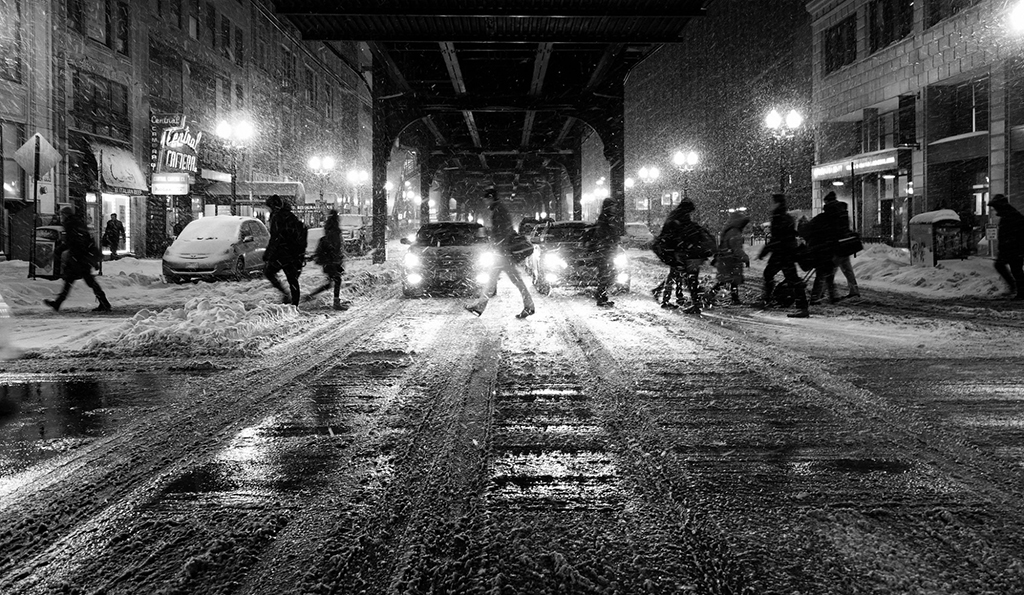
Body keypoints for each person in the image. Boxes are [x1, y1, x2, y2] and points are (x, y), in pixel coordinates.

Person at [465, 188, 535, 318]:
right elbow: (504, 230)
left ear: (491, 198)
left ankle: (481, 306)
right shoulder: (499, 210)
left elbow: (502, 232)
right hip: (503, 251)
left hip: (503, 252)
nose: (485, 202)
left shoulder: (498, 211)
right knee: (508, 280)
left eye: (486, 199)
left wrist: (498, 246)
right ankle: (528, 305)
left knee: (498, 279)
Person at [44, 206, 111, 313]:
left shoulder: (71, 225)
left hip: (79, 259)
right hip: (80, 258)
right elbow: (80, 241)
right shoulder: (76, 223)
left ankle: (105, 303)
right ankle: (58, 303)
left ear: (65, 215)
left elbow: (72, 242)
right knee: (73, 281)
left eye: (62, 215)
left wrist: (58, 252)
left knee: (82, 281)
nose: (61, 217)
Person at [652, 199, 714, 313]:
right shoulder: (681, 220)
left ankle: (666, 296)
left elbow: (670, 235)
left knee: (678, 275)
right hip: (683, 252)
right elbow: (678, 235)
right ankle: (687, 301)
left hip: (679, 252)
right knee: (687, 278)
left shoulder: (677, 217)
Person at [757, 193, 809, 318]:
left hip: (783, 253)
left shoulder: (779, 217)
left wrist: (765, 251)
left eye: (772, 202)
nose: (770, 205)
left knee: (791, 279)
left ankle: (802, 307)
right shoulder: (784, 216)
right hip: (784, 252)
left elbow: (777, 237)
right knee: (775, 275)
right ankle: (768, 300)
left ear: (777, 203)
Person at [263, 194, 306, 306]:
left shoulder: (277, 218)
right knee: (292, 280)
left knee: (269, 272)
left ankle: (286, 295)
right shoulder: (291, 216)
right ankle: (294, 304)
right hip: (292, 254)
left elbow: (275, 238)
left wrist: (268, 254)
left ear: (273, 206)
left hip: (282, 254)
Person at [305, 210, 349, 311]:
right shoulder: (334, 230)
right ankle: (335, 302)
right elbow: (334, 246)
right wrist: (337, 259)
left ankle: (312, 296)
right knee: (336, 280)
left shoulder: (330, 228)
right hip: (332, 261)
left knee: (332, 282)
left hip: (329, 260)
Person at [823, 191, 860, 298]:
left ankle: (823, 292)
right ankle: (854, 289)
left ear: (828, 201)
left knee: (831, 268)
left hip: (836, 244)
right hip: (845, 242)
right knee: (847, 268)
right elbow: (846, 226)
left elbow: (830, 228)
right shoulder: (843, 210)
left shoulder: (831, 210)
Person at [988, 194, 1024, 299]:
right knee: (1016, 270)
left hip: (1012, 248)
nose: (994, 209)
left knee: (1013, 269)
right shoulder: (1011, 215)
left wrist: (1007, 245)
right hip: (1012, 247)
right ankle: (1019, 289)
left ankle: (1017, 288)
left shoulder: (1010, 216)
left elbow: (1012, 234)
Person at [589, 195, 623, 308]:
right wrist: (611, 241)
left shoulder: (607, 218)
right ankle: (601, 297)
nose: (615, 208)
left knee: (608, 275)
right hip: (605, 252)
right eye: (613, 206)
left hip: (606, 251)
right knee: (607, 275)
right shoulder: (606, 219)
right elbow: (604, 235)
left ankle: (601, 296)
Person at [711, 210, 751, 305]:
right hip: (730, 261)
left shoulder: (729, 230)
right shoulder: (734, 232)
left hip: (726, 259)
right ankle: (711, 295)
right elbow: (736, 248)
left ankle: (734, 297)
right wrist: (745, 258)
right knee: (728, 280)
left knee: (729, 280)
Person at [800, 209, 839, 305]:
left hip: (820, 251)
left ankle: (826, 296)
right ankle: (818, 297)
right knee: (825, 274)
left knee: (825, 273)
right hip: (824, 251)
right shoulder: (830, 222)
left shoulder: (819, 220)